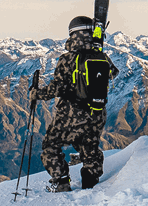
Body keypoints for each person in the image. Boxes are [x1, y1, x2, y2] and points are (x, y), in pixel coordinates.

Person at [33, 15, 118, 192]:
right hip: (97, 112)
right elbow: (113, 73)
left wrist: (36, 94)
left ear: (72, 34)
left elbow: (55, 88)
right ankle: (91, 180)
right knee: (89, 146)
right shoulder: (102, 56)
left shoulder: (68, 59)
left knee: (50, 145)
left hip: (71, 114)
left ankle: (62, 181)